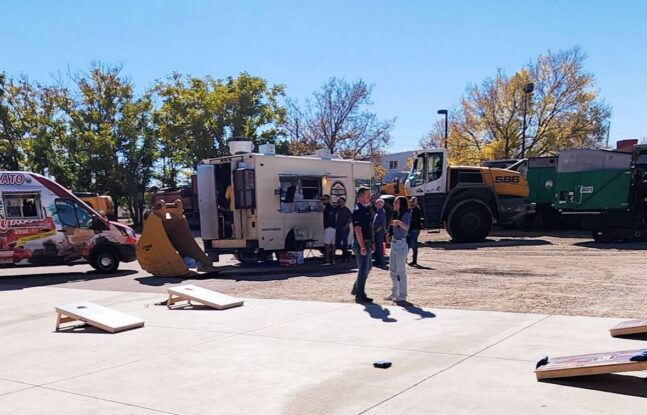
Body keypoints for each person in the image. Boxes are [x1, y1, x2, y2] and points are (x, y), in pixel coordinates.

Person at [351, 187, 374, 303]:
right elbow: (358, 230)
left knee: (368, 267)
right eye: (367, 195)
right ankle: (360, 294)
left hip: (367, 241)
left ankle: (356, 289)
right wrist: (363, 247)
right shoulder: (357, 210)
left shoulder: (365, 209)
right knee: (363, 268)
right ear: (360, 196)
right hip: (361, 242)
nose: (369, 197)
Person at [386, 196, 410, 302]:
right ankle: (394, 291)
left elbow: (406, 227)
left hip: (401, 244)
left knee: (401, 271)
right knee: (392, 269)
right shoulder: (396, 214)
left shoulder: (405, 215)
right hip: (394, 243)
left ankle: (402, 294)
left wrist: (399, 223)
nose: (394, 204)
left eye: (396, 202)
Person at [335, 196, 352, 262]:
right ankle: (347, 253)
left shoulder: (346, 210)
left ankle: (345, 256)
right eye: (338, 201)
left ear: (344, 202)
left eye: (340, 201)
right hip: (338, 228)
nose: (338, 202)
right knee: (337, 243)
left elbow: (350, 219)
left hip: (345, 228)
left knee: (344, 242)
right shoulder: (337, 209)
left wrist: (345, 226)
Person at [407, 196, 423, 266]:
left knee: (414, 245)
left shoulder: (417, 209)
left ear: (416, 202)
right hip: (411, 229)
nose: (412, 202)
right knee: (408, 244)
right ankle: (407, 259)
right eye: (411, 200)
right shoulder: (411, 209)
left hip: (415, 229)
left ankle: (414, 261)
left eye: (413, 200)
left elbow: (415, 220)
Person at [322, 194, 336, 265]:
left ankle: (327, 260)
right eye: (323, 199)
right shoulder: (333, 207)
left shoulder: (327, 208)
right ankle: (333, 260)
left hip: (328, 228)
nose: (323, 201)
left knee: (327, 245)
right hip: (334, 228)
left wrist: (327, 226)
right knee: (333, 245)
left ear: (328, 199)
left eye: (324, 199)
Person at [373, 198, 387, 268]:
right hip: (376, 231)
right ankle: (377, 261)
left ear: (381, 205)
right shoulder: (378, 211)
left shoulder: (381, 212)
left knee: (379, 247)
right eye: (376, 203)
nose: (376, 205)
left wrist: (377, 230)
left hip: (379, 232)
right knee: (377, 247)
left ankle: (381, 262)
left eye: (378, 204)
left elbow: (383, 224)